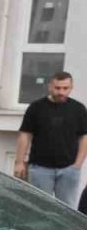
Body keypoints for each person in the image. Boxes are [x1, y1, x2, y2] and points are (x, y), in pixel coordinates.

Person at [15, 71, 87, 205]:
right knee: (39, 207)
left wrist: (78, 165)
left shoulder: (78, 109)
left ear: (71, 88)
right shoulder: (36, 107)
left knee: (67, 209)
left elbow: (84, 137)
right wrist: (19, 162)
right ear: (50, 87)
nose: (61, 92)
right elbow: (25, 134)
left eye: (65, 88)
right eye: (57, 88)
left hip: (69, 169)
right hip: (40, 169)